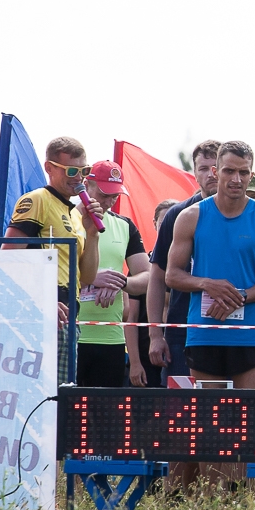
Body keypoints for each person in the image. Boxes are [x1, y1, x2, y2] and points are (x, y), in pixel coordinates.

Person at [165, 141, 255, 388]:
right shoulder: (191, 216)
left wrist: (239, 297)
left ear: (251, 175)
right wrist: (207, 284)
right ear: (215, 172)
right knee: (210, 422)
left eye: (243, 172)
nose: (236, 179)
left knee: (249, 421)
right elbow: (171, 275)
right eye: (229, 171)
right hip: (204, 334)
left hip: (250, 336)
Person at [4, 136, 103, 383]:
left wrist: (92, 234)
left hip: (69, 310)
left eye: (84, 171)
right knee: (41, 395)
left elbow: (87, 277)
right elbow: (8, 258)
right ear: (49, 168)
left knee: (61, 395)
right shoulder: (37, 200)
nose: (78, 178)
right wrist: (41, 299)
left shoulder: (76, 214)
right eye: (71, 170)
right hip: (40, 309)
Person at [147, 140, 221, 382]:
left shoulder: (251, 215)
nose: (210, 174)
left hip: (232, 330)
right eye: (203, 168)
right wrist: (156, 335)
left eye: (216, 167)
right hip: (181, 333)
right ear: (194, 173)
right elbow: (157, 278)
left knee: (229, 415)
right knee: (182, 415)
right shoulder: (176, 216)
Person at [75, 161, 150, 387]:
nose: (109, 202)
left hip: (111, 340)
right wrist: (89, 277)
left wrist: (121, 282)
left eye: (115, 196)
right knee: (66, 418)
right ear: (87, 185)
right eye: (104, 194)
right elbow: (46, 272)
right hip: (73, 336)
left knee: (106, 419)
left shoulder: (125, 226)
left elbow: (147, 277)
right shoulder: (65, 219)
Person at [125, 199, 176, 388]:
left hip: (180, 352)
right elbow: (131, 318)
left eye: (176, 220)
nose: (170, 227)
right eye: (165, 221)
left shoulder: (192, 266)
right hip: (147, 357)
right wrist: (135, 363)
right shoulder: (143, 267)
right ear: (155, 224)